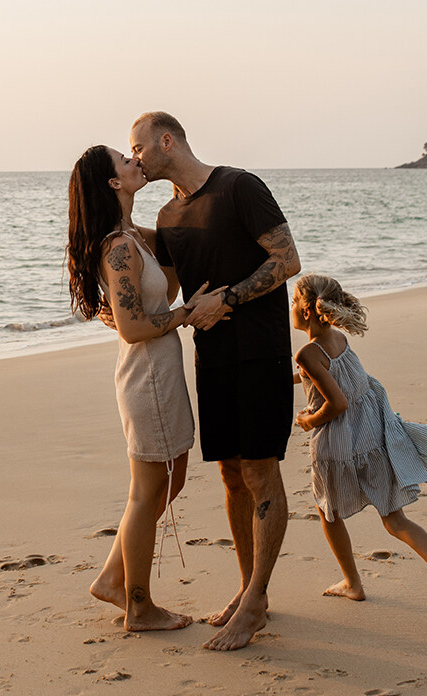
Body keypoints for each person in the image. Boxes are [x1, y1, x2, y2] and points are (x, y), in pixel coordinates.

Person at [120, 112, 301, 651]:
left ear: (166, 141)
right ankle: (250, 590)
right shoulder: (169, 214)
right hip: (212, 358)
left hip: (261, 353)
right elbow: (165, 287)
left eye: (139, 148)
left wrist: (230, 297)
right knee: (229, 475)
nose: (135, 159)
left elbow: (287, 260)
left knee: (261, 472)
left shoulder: (239, 186)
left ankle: (255, 601)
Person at [67, 145, 224, 632]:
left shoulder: (134, 237)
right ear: (113, 183)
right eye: (125, 161)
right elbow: (134, 327)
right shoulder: (118, 246)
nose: (136, 162)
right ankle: (138, 605)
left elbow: (162, 286)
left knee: (169, 479)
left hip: (159, 371)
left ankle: (114, 577)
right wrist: (188, 314)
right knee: (147, 491)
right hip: (147, 376)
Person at [292, 274, 427, 624]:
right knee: (395, 519)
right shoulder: (337, 338)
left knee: (328, 512)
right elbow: (332, 375)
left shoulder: (306, 352)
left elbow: (336, 403)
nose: (290, 308)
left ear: (306, 310)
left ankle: (353, 583)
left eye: (292, 302)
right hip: (371, 434)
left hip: (339, 440)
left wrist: (308, 421)